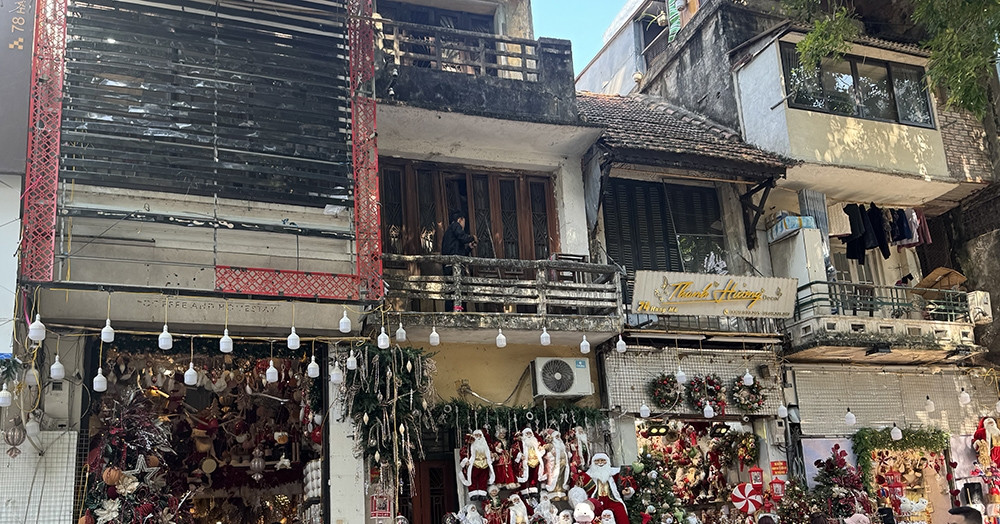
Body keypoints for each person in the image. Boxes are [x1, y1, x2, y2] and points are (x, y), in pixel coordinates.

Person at [441, 211, 476, 312]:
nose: (463, 226)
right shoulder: (455, 226)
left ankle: (452, 313)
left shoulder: (449, 234)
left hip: (448, 266)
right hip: (453, 267)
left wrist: (469, 248)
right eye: (464, 222)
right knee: (458, 291)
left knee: (451, 291)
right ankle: (459, 312)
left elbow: (461, 253)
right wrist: (472, 238)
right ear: (460, 219)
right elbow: (463, 237)